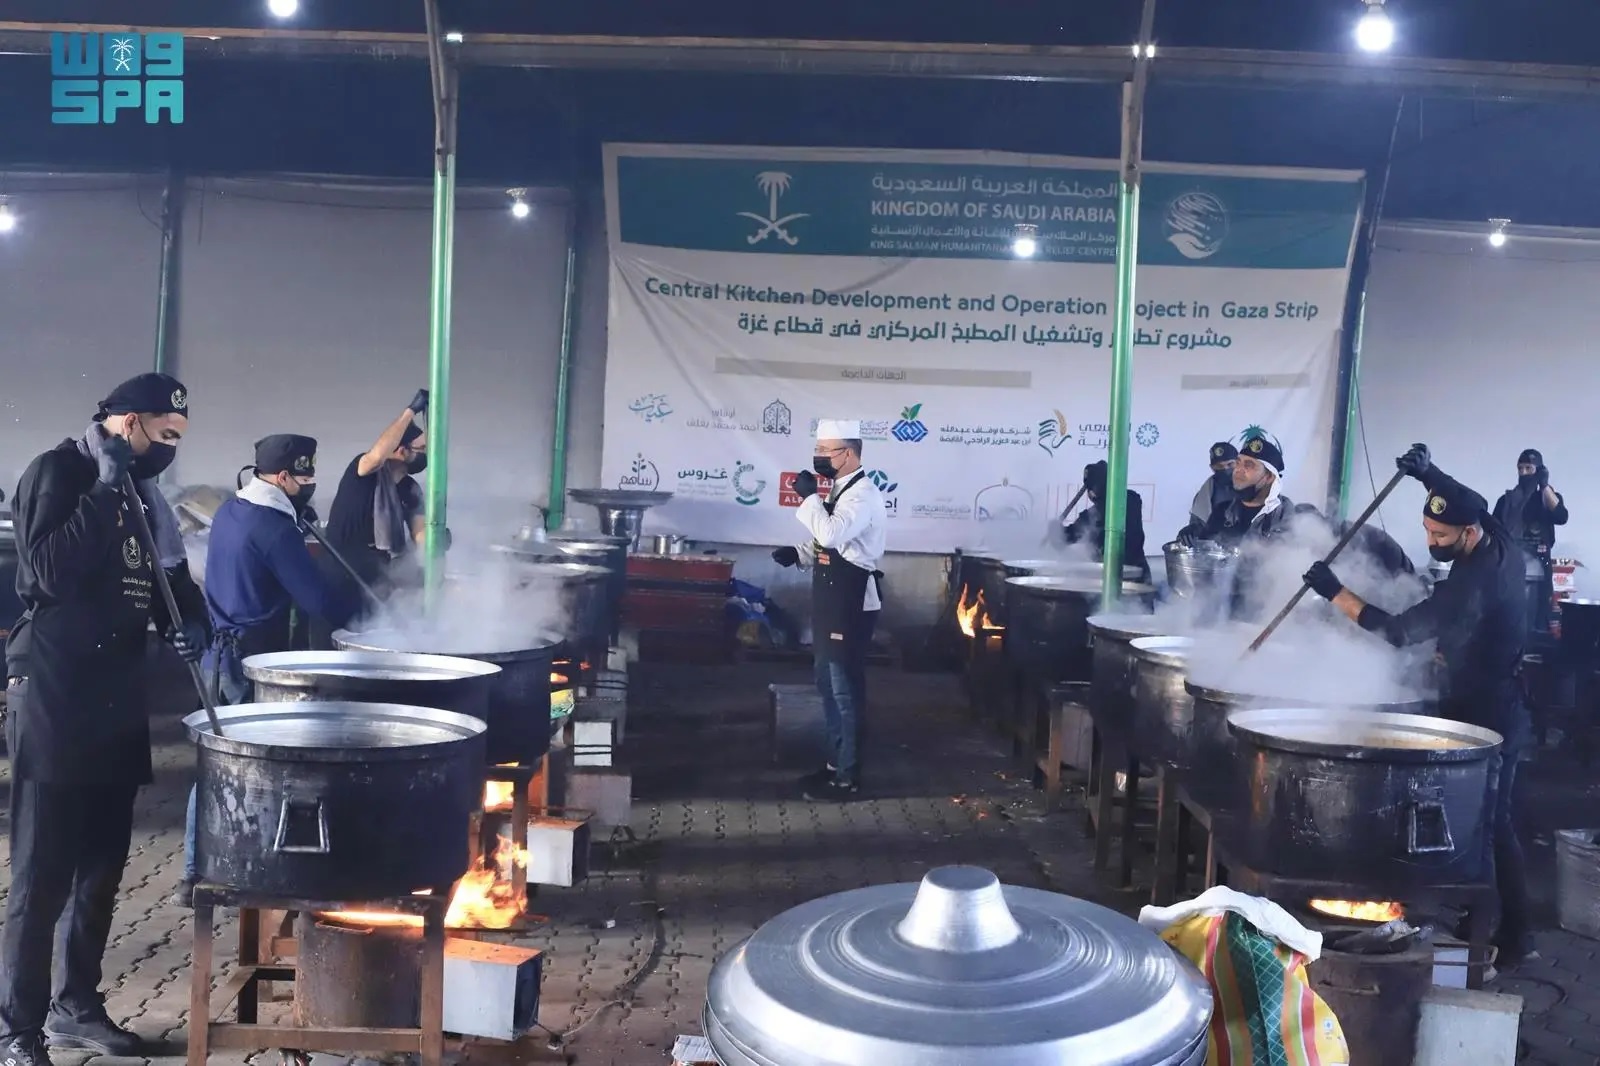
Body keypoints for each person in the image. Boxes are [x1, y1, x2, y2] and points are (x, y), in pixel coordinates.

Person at [0, 373, 207, 1065]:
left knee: (100, 870)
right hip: (57, 694)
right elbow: (45, 574)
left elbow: (164, 579)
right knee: (42, 875)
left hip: (117, 695)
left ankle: (76, 1007)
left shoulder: (142, 496)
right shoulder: (60, 472)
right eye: (165, 434)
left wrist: (191, 622)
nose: (171, 448)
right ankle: (17, 1029)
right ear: (127, 422)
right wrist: (102, 488)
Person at [1302, 443, 1534, 965]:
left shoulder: (1479, 581)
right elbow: (1462, 494)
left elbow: (1399, 632)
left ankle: (1513, 933)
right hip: (1472, 694)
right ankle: (1474, 911)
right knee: (1478, 818)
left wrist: (1334, 592)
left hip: (1492, 710)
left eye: (1441, 537)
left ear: (1468, 534)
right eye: (1428, 531)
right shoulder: (1488, 526)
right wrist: (1426, 472)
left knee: (1491, 823)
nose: (1431, 542)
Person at [172, 436, 365, 905]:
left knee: (214, 762)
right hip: (250, 664)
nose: (310, 485)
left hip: (216, 656)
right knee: (255, 769)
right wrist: (364, 614)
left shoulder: (231, 510)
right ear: (282, 478)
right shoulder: (276, 529)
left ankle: (194, 872)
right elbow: (317, 600)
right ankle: (254, 867)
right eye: (305, 478)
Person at [770, 419, 887, 801]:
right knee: (827, 685)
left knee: (844, 691)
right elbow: (831, 542)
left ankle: (849, 776)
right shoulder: (840, 489)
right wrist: (799, 554)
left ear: (848, 453)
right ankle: (834, 764)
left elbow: (832, 534)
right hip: (830, 599)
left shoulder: (863, 495)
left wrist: (808, 499)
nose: (818, 457)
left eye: (825, 451)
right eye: (817, 449)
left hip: (850, 602)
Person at [316, 391, 430, 641]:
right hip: (340, 574)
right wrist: (410, 412)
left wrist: (435, 541)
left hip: (377, 579)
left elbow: (420, 534)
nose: (426, 454)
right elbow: (377, 456)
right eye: (421, 449)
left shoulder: (410, 489)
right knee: (331, 646)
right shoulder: (364, 472)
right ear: (400, 451)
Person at [1491, 448, 1568, 636]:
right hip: (1509, 567)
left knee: (1540, 617)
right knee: (1509, 620)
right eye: (1520, 468)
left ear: (1539, 470)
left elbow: (1561, 516)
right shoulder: (1506, 501)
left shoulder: (1547, 499)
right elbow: (1493, 531)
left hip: (1540, 567)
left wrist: (1544, 486)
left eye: (1529, 468)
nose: (1524, 473)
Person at [1060, 460, 1151, 581]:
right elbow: (1069, 535)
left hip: (1133, 579)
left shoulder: (1128, 500)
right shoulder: (1091, 516)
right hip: (1110, 579)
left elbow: (1070, 534)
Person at [1180, 441, 1239, 537]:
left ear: (1239, 463)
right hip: (1214, 545)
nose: (1225, 469)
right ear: (1212, 468)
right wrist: (1190, 532)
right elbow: (1198, 526)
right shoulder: (1204, 495)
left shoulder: (1255, 487)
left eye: (1230, 464)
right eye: (1219, 466)